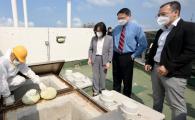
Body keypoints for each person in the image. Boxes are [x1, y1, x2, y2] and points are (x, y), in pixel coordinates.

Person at [144, 1, 195, 120]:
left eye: (163, 14)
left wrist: (168, 67)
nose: (160, 17)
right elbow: (155, 48)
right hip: (156, 69)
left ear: (176, 12)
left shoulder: (189, 27)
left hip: (174, 74)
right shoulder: (161, 31)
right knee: (157, 99)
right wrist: (149, 62)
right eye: (159, 14)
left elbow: (190, 52)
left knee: (176, 105)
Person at [112, 8, 147, 97]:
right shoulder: (116, 29)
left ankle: (126, 98)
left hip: (128, 56)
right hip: (116, 56)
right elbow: (112, 44)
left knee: (127, 79)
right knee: (116, 78)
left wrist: (134, 55)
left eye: (122, 18)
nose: (120, 20)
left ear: (129, 17)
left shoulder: (136, 28)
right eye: (118, 18)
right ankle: (116, 96)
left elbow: (143, 44)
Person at [88, 22, 113, 96]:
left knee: (103, 76)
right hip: (95, 58)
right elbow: (90, 49)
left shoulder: (109, 38)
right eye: (96, 31)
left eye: (99, 31)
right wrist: (89, 58)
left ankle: (102, 89)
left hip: (104, 59)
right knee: (95, 75)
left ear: (104, 30)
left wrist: (109, 61)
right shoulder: (93, 38)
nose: (97, 32)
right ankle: (95, 90)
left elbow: (110, 50)